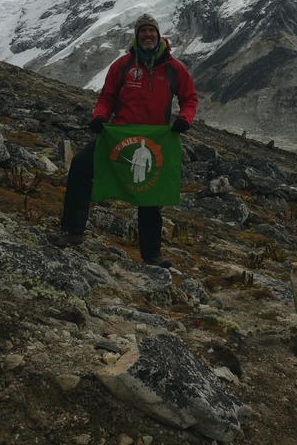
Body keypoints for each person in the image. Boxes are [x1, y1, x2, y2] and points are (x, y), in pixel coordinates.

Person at [48, 13, 198, 267]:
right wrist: (99, 117)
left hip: (153, 140)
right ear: (136, 36)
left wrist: (185, 119)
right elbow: (106, 97)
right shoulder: (122, 66)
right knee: (81, 166)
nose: (147, 35)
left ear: (159, 35)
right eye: (143, 31)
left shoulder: (174, 69)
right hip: (118, 135)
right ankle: (71, 232)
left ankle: (152, 255)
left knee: (150, 195)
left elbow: (190, 99)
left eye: (152, 31)